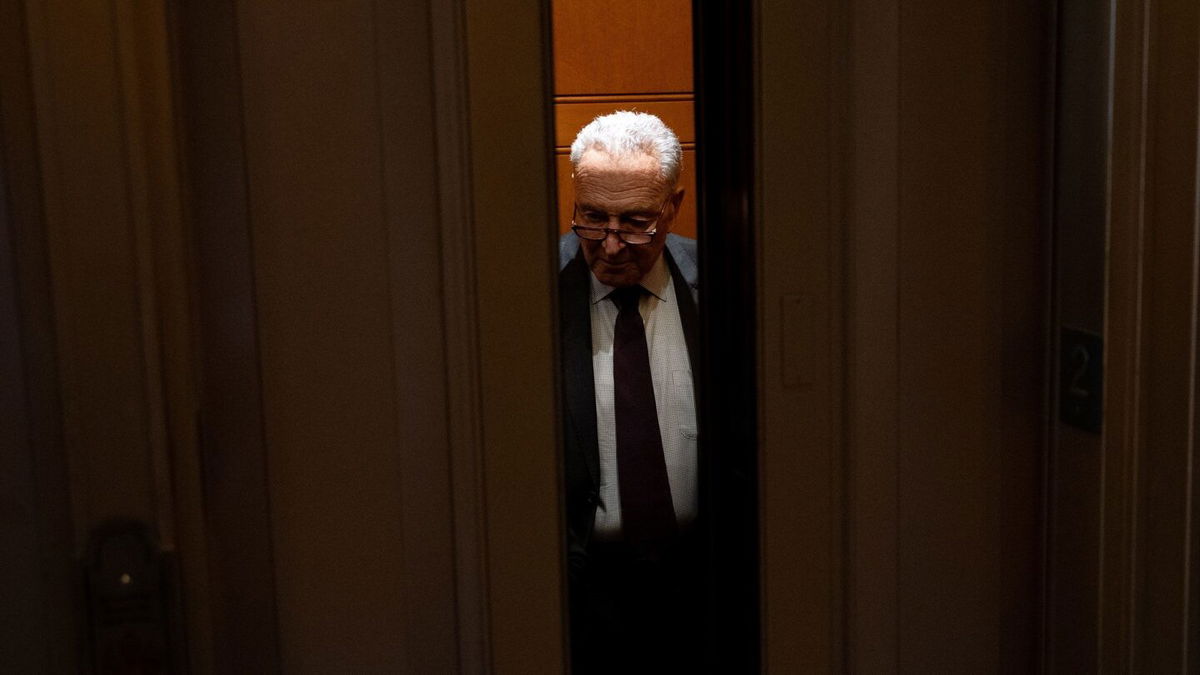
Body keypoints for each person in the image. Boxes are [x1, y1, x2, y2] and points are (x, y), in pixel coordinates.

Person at [558, 111, 703, 673]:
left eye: (636, 222)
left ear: (674, 204)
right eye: (592, 218)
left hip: (701, 583)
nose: (612, 246)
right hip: (584, 591)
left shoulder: (724, 279)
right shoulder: (535, 290)